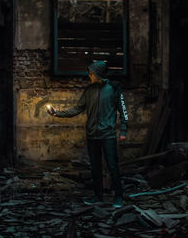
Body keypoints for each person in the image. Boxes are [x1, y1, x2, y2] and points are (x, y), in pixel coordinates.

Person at [47, 61, 128, 208]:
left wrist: (123, 130)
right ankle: (98, 196)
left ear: (98, 74)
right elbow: (76, 109)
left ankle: (118, 196)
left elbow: (123, 111)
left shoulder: (114, 89)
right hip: (92, 135)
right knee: (95, 167)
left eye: (91, 73)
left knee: (112, 166)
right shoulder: (89, 90)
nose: (89, 75)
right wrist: (57, 113)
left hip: (108, 135)